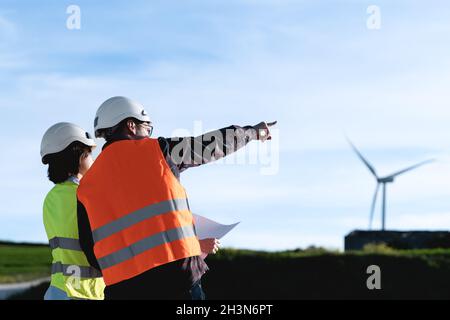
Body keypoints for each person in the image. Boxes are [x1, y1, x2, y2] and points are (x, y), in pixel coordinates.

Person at [77, 96, 277, 300]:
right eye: (148, 128)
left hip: (121, 291)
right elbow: (211, 145)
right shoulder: (158, 150)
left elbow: (90, 251)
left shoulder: (85, 186)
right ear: (130, 125)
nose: (149, 134)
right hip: (176, 280)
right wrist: (253, 132)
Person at [40, 123, 105, 300]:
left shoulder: (51, 198)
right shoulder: (85, 194)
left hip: (59, 288)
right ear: (77, 155)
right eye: (89, 153)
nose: (92, 158)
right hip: (84, 292)